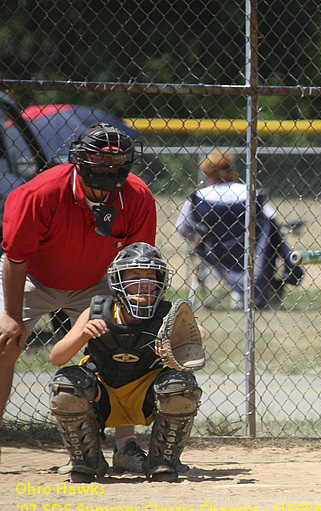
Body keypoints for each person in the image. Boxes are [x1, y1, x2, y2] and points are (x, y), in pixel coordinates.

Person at [0, 123, 157, 473]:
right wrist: (10, 315)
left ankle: (125, 446)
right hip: (33, 278)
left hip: (96, 280)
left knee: (120, 345)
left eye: (116, 163)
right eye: (99, 161)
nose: (108, 170)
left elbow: (136, 263)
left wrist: (127, 316)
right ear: (79, 160)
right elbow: (16, 258)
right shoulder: (41, 193)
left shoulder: (135, 195)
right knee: (3, 343)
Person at [49, 242, 202, 483]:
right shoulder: (97, 311)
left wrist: (175, 337)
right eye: (134, 276)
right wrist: (83, 334)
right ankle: (88, 461)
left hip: (145, 396)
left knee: (181, 386)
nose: (143, 284)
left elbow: (199, 335)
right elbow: (56, 357)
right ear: (118, 280)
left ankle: (162, 462)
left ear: (160, 282)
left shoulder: (166, 313)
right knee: (68, 386)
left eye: (150, 277)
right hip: (103, 395)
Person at [175, 149, 303, 309]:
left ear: (208, 174)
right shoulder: (251, 193)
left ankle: (238, 292)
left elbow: (181, 228)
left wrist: (198, 237)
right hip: (254, 253)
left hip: (216, 254)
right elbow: (273, 222)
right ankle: (258, 291)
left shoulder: (199, 197)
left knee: (201, 248)